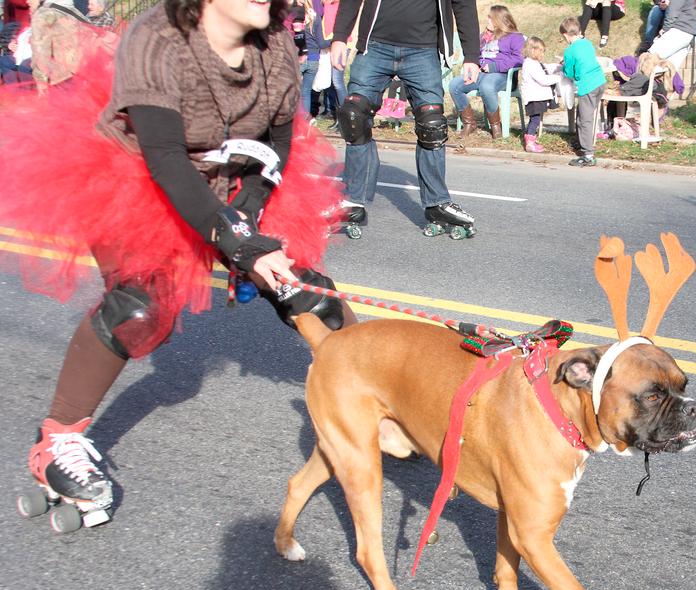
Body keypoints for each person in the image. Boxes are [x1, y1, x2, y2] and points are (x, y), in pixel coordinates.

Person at [1, 0, 351, 527]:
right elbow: (165, 161)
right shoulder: (159, 38)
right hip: (136, 176)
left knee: (303, 290)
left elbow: (275, 148)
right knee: (143, 310)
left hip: (232, 178)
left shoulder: (275, 42)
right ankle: (58, 441)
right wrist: (236, 242)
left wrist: (248, 220)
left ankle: (384, 392)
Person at [331, 0, 481, 238]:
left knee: (432, 124)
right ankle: (354, 200)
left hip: (424, 50)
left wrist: (472, 54)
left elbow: (463, 5)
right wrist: (340, 36)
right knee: (354, 116)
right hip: (375, 46)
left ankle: (436, 203)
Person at [449, 4, 524, 140]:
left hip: (503, 76)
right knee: (455, 85)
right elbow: (474, 54)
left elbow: (519, 59)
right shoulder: (484, 36)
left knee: (487, 86)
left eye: (490, 18)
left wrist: (494, 67)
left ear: (498, 20)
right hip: (481, 74)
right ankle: (469, 123)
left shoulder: (515, 37)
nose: (487, 21)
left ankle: (496, 126)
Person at [559, 15, 606, 167]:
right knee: (587, 114)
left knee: (584, 120)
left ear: (566, 35)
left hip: (587, 86)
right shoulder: (587, 43)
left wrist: (564, 66)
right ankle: (583, 141)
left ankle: (588, 154)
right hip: (599, 82)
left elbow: (570, 73)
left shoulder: (569, 51)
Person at [519, 35, 561, 153]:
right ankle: (530, 141)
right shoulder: (530, 64)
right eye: (541, 51)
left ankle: (530, 137)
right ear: (533, 50)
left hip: (537, 97)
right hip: (534, 98)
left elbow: (546, 68)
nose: (543, 54)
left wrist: (559, 67)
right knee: (535, 119)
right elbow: (543, 79)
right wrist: (559, 77)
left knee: (535, 119)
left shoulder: (535, 63)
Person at [647, 0, 696, 69]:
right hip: (692, 35)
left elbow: (672, 13)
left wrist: (665, 29)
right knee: (668, 71)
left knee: (647, 61)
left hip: (678, 33)